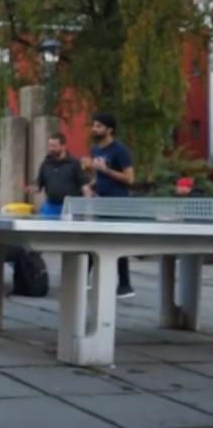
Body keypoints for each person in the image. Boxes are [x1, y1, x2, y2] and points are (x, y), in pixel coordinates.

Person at [89, 112, 135, 299]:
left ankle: (125, 284)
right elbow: (98, 176)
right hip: (101, 201)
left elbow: (130, 179)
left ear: (109, 129)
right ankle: (87, 279)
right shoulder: (95, 150)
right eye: (94, 125)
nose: (95, 129)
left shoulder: (120, 150)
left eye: (99, 126)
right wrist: (90, 186)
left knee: (117, 243)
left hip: (118, 202)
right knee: (95, 240)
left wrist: (106, 170)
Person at [27, 133, 93, 216]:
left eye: (54, 146)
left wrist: (89, 206)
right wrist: (33, 188)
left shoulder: (74, 163)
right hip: (50, 206)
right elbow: (39, 183)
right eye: (49, 146)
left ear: (63, 146)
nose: (50, 149)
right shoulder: (46, 163)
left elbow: (84, 185)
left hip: (70, 207)